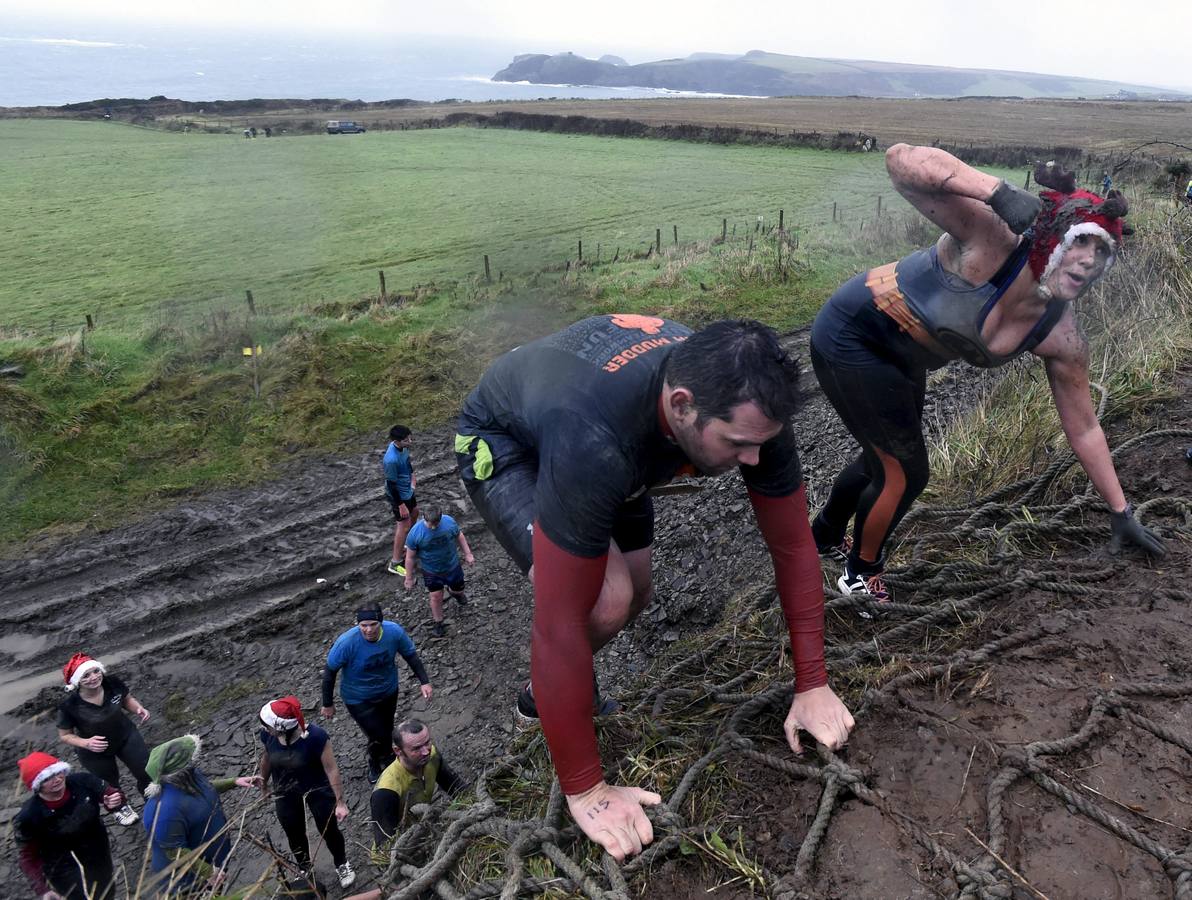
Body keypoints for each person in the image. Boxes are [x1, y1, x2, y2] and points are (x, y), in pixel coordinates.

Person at [454, 314, 855, 860]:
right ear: (683, 405)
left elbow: (792, 546)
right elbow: (556, 623)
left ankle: (548, 692)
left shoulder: (752, 413)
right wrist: (588, 791)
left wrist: (812, 684)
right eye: (738, 445)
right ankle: (542, 705)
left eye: (761, 444)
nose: (754, 461)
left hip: (614, 432)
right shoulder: (594, 441)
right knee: (604, 598)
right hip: (510, 443)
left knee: (636, 593)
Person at [809, 146, 1165, 607]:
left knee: (886, 459)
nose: (1088, 260)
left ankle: (824, 534)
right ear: (1054, 236)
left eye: (1102, 251)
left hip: (903, 360)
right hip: (853, 332)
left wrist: (1121, 511)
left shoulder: (1061, 335)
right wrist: (995, 191)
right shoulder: (992, 238)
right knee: (906, 472)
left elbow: (1085, 427)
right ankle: (861, 574)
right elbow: (901, 162)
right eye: (1081, 241)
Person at [321, 603, 434, 783]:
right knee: (377, 734)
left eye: (373, 624)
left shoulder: (393, 632)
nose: (368, 630)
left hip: (388, 690)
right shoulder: (346, 642)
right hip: (358, 698)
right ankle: (375, 762)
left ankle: (388, 756)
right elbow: (329, 672)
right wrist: (327, 703)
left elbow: (410, 655)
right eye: (363, 626)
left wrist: (424, 681)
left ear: (381, 622)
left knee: (387, 730)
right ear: (358, 625)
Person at [141, 734, 259, 895]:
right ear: (179, 768)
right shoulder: (164, 811)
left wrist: (233, 782)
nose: (195, 758)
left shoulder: (189, 776)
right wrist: (208, 873)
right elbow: (175, 851)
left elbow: (205, 787)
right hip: (189, 882)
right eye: (190, 758)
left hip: (215, 865)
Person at [258, 696, 355, 888]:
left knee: (329, 829)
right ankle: (304, 867)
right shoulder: (268, 735)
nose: (265, 728)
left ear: (282, 727)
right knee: (293, 831)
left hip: (316, 789)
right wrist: (264, 785)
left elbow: (331, 769)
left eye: (268, 725)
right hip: (285, 792)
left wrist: (340, 802)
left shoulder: (316, 737)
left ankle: (341, 863)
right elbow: (267, 758)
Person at [57, 653, 151, 826]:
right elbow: (65, 735)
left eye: (95, 671)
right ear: (77, 682)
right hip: (95, 750)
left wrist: (138, 709)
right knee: (109, 784)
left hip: (125, 735)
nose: (93, 677)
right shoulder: (69, 706)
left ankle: (150, 796)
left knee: (145, 769)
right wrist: (86, 743)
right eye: (86, 675)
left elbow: (126, 700)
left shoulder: (112, 683)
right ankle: (120, 808)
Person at [15, 752, 119, 900]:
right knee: (75, 895)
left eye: (58, 773)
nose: (56, 779)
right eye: (47, 778)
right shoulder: (28, 816)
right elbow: (27, 857)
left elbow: (111, 794)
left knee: (105, 888)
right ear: (37, 785)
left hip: (94, 845)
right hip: (58, 861)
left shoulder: (82, 781)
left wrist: (114, 801)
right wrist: (43, 890)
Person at [370, 719, 467, 850]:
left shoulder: (431, 755)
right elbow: (386, 845)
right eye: (416, 749)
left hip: (423, 826)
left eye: (427, 742)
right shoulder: (386, 791)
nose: (426, 751)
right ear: (398, 751)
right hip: (402, 845)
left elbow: (455, 786)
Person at [402, 503, 476, 637]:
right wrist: (408, 577)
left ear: (441, 518)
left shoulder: (449, 522)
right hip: (431, 571)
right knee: (435, 596)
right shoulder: (415, 533)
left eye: (436, 523)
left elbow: (459, 536)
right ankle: (438, 622)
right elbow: (410, 557)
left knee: (457, 590)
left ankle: (456, 593)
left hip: (452, 566)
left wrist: (468, 554)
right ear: (424, 518)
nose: (434, 526)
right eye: (431, 524)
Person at [383, 425, 418, 575]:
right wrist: (400, 504)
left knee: (415, 513)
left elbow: (407, 461)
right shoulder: (391, 460)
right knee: (403, 526)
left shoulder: (403, 447)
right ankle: (395, 562)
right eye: (406, 440)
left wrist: (412, 475)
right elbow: (391, 485)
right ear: (397, 441)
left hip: (407, 490)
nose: (410, 441)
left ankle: (407, 544)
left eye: (410, 437)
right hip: (399, 496)